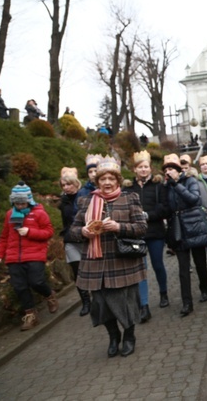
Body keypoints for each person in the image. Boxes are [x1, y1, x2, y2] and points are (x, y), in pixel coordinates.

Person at [66, 156, 147, 357]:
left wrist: (119, 227)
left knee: (125, 303)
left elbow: (141, 227)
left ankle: (129, 336)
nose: (107, 183)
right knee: (101, 305)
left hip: (122, 261)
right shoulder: (85, 201)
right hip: (95, 264)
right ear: (97, 181)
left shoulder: (130, 199)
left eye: (111, 178)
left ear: (118, 180)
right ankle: (113, 337)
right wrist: (83, 232)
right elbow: (72, 230)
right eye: (103, 179)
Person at [0, 182, 59, 331]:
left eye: (22, 203)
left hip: (34, 255)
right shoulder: (10, 215)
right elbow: (4, 237)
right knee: (20, 287)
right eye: (16, 203)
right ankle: (31, 315)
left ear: (29, 200)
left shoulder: (39, 213)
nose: (19, 206)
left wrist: (29, 232)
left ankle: (49, 295)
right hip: (13, 258)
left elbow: (48, 232)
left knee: (36, 282)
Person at [162, 153, 207, 317]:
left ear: (178, 170)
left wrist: (176, 185)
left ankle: (205, 289)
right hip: (178, 229)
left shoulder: (190, 181)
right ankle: (187, 302)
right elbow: (167, 208)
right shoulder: (166, 186)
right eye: (166, 169)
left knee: (200, 263)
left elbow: (194, 200)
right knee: (183, 269)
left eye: (171, 169)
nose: (168, 172)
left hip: (194, 225)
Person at [122, 150, 170, 314]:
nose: (143, 170)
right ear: (135, 169)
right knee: (141, 268)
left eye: (146, 167)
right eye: (140, 167)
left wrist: (148, 215)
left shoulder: (158, 186)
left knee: (158, 265)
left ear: (150, 168)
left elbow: (164, 209)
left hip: (155, 233)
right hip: (137, 236)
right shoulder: (128, 188)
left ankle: (163, 293)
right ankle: (144, 304)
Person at [58, 168, 91, 316]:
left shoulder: (85, 196)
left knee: (91, 268)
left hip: (86, 237)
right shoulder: (63, 202)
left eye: (68, 184)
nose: (66, 187)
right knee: (77, 271)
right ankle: (85, 302)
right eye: (63, 185)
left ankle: (98, 297)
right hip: (71, 239)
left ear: (75, 184)